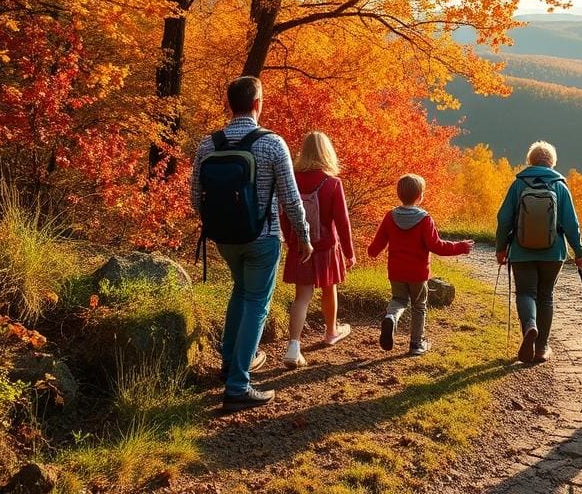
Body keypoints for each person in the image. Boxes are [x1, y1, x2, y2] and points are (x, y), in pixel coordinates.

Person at [190, 76, 311, 411]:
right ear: (257, 103)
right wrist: (303, 236)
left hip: (224, 239)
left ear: (231, 104)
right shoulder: (273, 143)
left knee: (241, 291)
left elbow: (195, 197)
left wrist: (214, 223)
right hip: (262, 238)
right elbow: (290, 198)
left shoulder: (208, 144)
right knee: (257, 302)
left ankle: (229, 361)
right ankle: (238, 385)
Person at [495, 141, 582, 364]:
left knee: (525, 293)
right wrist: (580, 252)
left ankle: (530, 326)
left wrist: (500, 248)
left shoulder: (518, 185)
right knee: (545, 296)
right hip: (552, 252)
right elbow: (571, 224)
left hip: (521, 250)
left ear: (531, 161)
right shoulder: (560, 186)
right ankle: (541, 348)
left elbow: (504, 218)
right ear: (552, 163)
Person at [367, 174, 473, 356]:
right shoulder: (425, 219)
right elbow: (437, 246)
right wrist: (461, 247)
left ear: (399, 194)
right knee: (419, 306)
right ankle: (416, 343)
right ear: (420, 196)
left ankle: (391, 318)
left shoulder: (390, 217)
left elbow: (377, 245)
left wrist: (371, 252)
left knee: (398, 300)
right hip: (418, 273)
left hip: (396, 271)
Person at [280, 131, 356, 369]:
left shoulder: (292, 178)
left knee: (301, 297)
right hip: (325, 247)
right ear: (327, 152)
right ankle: (331, 331)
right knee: (329, 287)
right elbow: (342, 221)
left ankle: (294, 346)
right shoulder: (332, 183)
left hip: (301, 246)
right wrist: (349, 252)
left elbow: (283, 212)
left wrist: (290, 238)